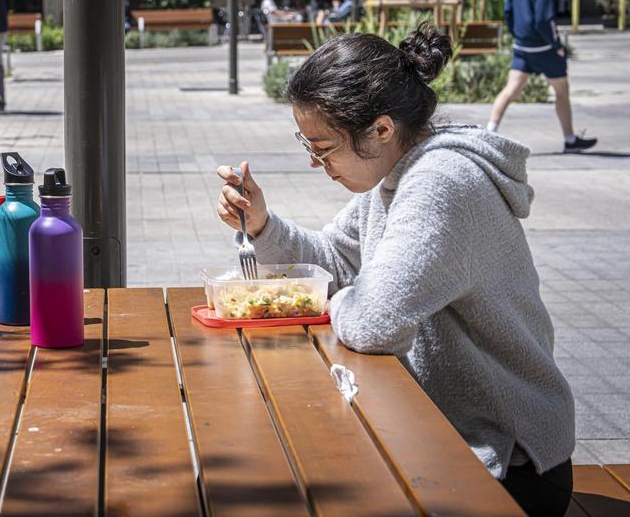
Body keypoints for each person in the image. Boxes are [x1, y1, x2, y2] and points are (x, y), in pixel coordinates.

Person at [215, 27, 575, 517]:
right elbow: (336, 261)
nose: (315, 163)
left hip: (506, 463)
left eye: (323, 148)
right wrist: (260, 223)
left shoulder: (441, 184)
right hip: (442, 435)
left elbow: (372, 323)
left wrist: (343, 297)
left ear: (381, 130)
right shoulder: (398, 173)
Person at [488, 0, 596, 152]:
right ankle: (570, 139)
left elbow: (507, 12)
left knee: (510, 90)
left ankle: (489, 133)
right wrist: (557, 46)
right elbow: (544, 19)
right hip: (543, 47)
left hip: (522, 46)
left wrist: (517, 35)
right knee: (562, 90)